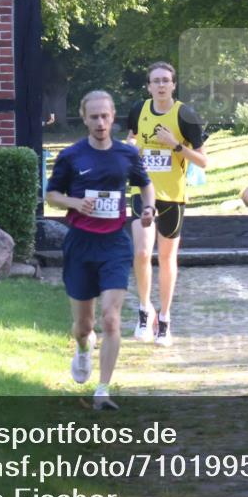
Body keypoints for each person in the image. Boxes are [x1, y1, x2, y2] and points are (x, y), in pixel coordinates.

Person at [46, 90, 156, 410]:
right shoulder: (71, 156)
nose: (100, 122)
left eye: (105, 116)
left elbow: (145, 184)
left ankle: (103, 390)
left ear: (113, 116)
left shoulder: (126, 154)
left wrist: (149, 208)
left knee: (110, 318)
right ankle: (83, 348)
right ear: (84, 118)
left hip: (115, 244)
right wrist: (75, 202)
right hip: (81, 244)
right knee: (84, 326)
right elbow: (51, 195)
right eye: (93, 117)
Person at [126, 61, 207, 346]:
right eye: (155, 81)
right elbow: (131, 138)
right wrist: (130, 148)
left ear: (173, 85)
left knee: (166, 257)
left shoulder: (185, 115)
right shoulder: (139, 110)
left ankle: (165, 319)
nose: (161, 85)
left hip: (173, 196)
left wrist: (175, 144)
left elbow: (203, 161)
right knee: (141, 252)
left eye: (165, 80)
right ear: (148, 86)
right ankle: (144, 310)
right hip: (143, 192)